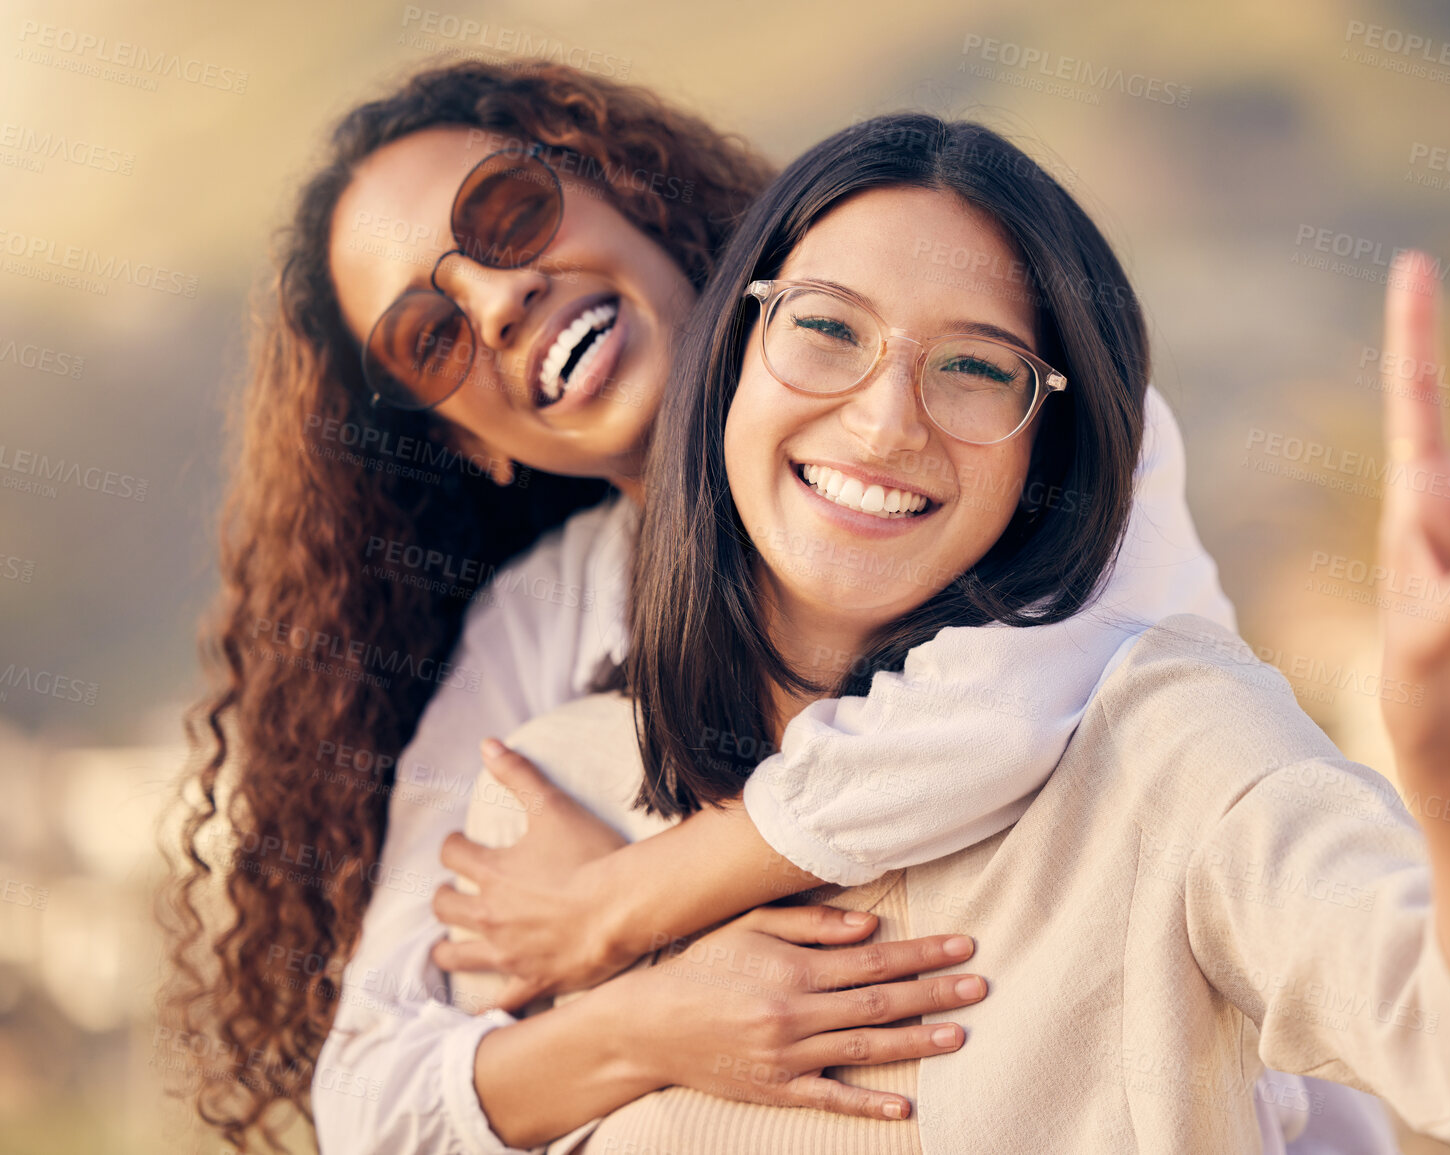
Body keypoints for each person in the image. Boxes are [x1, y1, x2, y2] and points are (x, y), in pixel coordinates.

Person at [173, 59, 1347, 1153]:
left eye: (507, 213)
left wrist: (619, 905)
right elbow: (373, 1102)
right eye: (428, 337)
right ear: (460, 441)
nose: (499, 299)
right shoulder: (540, 633)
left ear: (619, 189)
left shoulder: (1006, 391)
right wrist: (650, 1020)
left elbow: (1014, 702)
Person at [453, 114, 1450, 1152]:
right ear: (728, 362)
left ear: (1043, 460)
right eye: (825, 327)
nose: (883, 417)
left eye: (977, 367)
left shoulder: (1171, 746)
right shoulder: (555, 794)